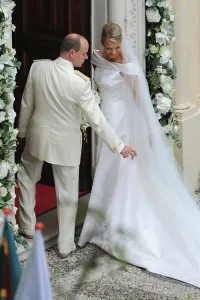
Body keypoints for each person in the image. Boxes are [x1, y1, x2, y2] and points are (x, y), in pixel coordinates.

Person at [78, 23, 200, 288]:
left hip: (122, 122)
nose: (111, 53)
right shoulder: (97, 57)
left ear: (122, 44)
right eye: (108, 48)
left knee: (123, 171)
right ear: (102, 44)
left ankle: (120, 222)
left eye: (116, 48)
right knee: (105, 167)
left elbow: (138, 99)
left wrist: (146, 129)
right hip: (104, 120)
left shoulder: (129, 66)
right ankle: (104, 218)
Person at [17, 33, 136, 258]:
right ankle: (65, 245)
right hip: (65, 145)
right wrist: (119, 146)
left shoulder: (37, 68)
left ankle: (27, 226)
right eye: (82, 53)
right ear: (71, 53)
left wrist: (22, 132)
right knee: (67, 195)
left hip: (37, 138)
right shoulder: (80, 83)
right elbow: (97, 120)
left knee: (25, 177)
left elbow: (26, 104)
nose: (85, 57)